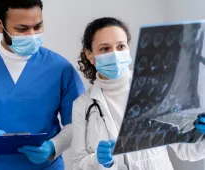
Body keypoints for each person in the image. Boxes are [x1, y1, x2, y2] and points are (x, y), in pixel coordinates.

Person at [0, 0, 84, 170]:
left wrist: (53, 147)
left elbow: (78, 123)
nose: (32, 35)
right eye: (22, 29)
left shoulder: (61, 69)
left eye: (38, 27)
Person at [71, 17, 205, 170]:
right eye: (105, 49)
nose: (114, 54)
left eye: (120, 46)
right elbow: (78, 164)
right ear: (89, 55)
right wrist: (99, 160)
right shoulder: (82, 105)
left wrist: (201, 136)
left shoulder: (155, 90)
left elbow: (186, 151)